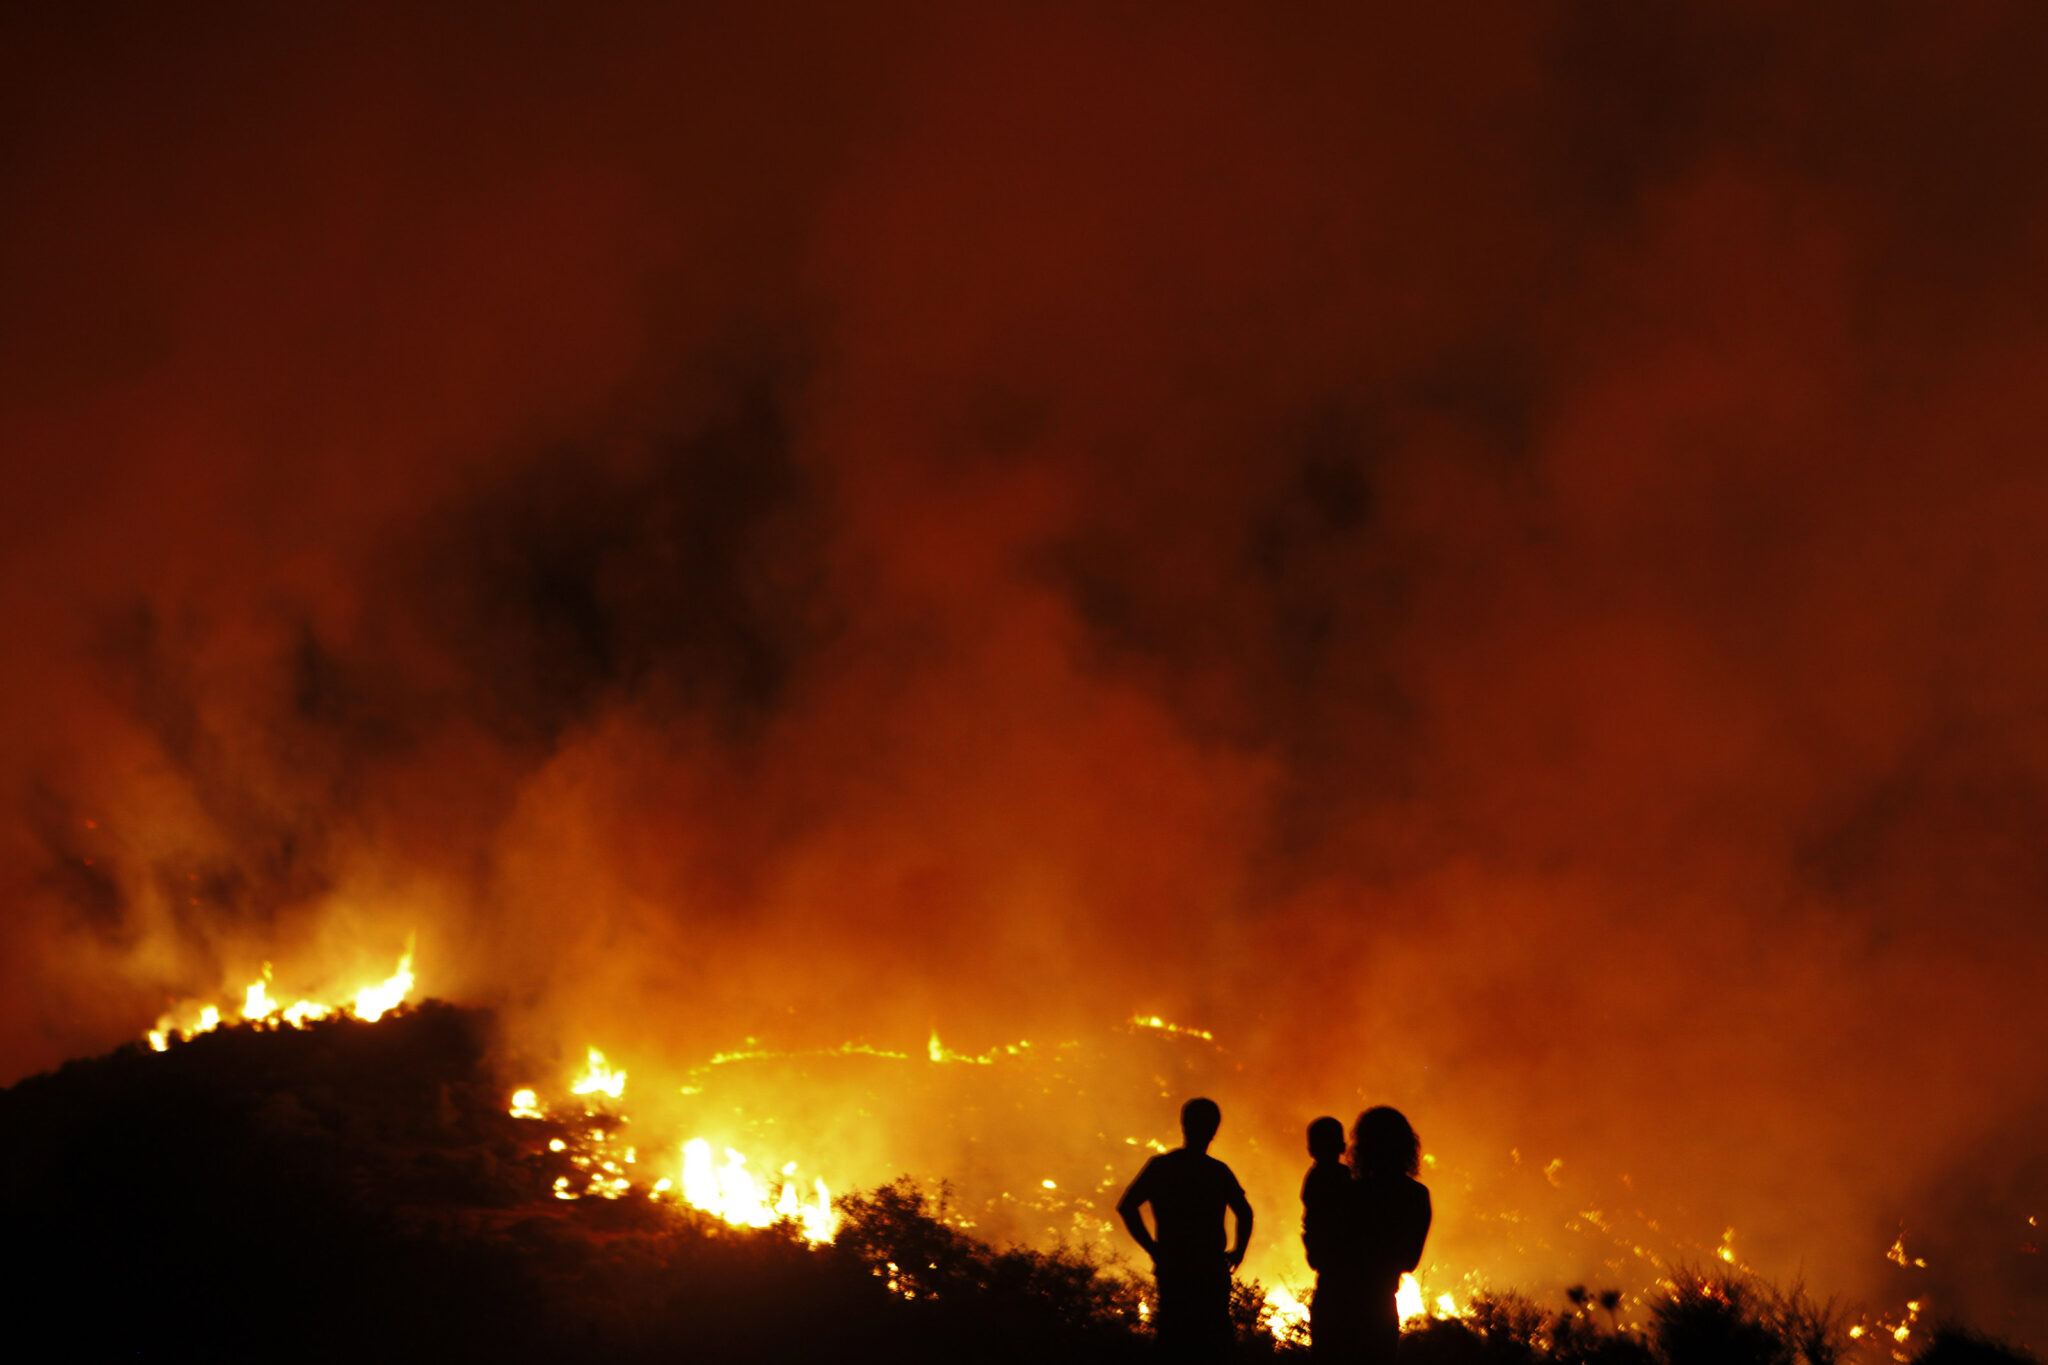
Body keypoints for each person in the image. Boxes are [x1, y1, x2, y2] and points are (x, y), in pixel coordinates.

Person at [1118, 1097, 1255, 1362]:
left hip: (1174, 1268)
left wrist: (1153, 1248)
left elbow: (1127, 1207)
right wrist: (1237, 1252)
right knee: (1215, 1344)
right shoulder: (1217, 1172)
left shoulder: (1162, 1167)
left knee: (1173, 1340)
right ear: (1214, 1130)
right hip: (1210, 1270)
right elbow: (1245, 1212)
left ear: (1184, 1124)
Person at [1348, 1106, 1432, 1365]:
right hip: (1380, 1305)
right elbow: (1408, 1261)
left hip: (1340, 1301)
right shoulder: (1416, 1195)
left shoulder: (1349, 1192)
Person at [1300, 1115, 1364, 1360]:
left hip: (1331, 1277)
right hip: (1346, 1277)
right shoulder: (1345, 1179)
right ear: (1343, 1147)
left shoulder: (1316, 1179)